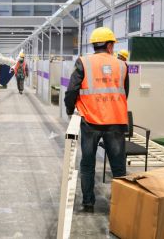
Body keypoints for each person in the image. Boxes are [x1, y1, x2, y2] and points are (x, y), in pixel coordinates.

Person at [64, 27, 129, 213]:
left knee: (88, 164)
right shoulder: (122, 65)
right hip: (116, 122)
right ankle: (121, 204)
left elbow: (71, 90)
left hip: (90, 121)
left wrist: (71, 109)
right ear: (109, 45)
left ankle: (88, 203)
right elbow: (125, 93)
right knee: (118, 166)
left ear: (94, 44)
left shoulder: (83, 62)